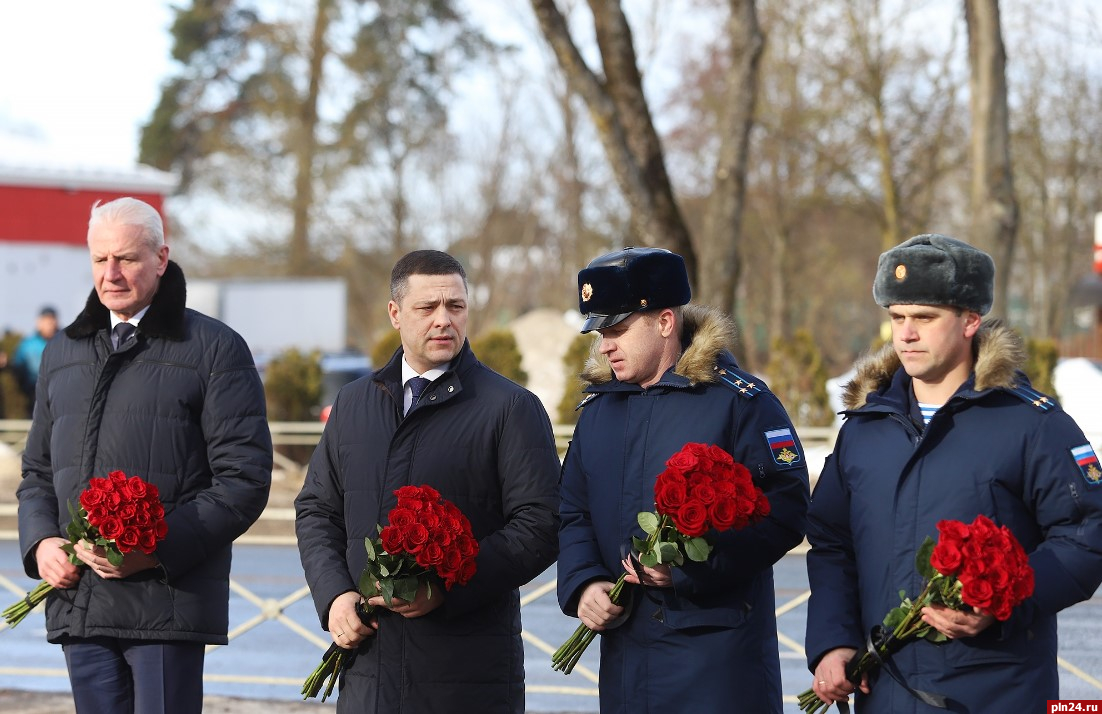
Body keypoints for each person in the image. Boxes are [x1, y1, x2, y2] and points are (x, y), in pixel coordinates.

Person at [805, 233, 1102, 712]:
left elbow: (1087, 535)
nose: (906, 334)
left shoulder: (1031, 424)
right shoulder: (865, 428)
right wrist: (833, 642)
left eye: (924, 317)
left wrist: (1004, 602)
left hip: (995, 693)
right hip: (887, 692)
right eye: (898, 317)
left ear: (970, 320)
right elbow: (833, 542)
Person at [16, 197, 273, 714]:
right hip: (79, 605)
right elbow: (38, 471)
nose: (110, 273)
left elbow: (243, 478)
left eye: (126, 258)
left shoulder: (216, 348)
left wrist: (154, 550)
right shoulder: (62, 352)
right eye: (99, 259)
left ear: (161, 257)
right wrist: (41, 541)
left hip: (166, 605)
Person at [294, 249, 560, 713]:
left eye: (455, 307)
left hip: (466, 676)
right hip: (368, 673)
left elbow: (541, 523)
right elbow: (317, 509)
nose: (443, 320)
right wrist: (334, 595)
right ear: (396, 314)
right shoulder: (354, 403)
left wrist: (446, 587)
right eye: (427, 308)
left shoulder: (511, 408)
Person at [557, 247, 810, 713]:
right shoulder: (598, 411)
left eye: (617, 329)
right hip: (627, 663)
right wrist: (585, 583)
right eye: (599, 332)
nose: (605, 344)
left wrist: (691, 569)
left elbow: (788, 512)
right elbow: (572, 510)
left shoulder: (740, 402)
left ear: (665, 322)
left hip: (716, 664)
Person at [10, 306, 59, 415]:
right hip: (33, 395)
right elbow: (17, 367)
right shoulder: (27, 345)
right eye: (47, 320)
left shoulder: (66, 342)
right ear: (39, 322)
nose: (50, 324)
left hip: (60, 395)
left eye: (52, 320)